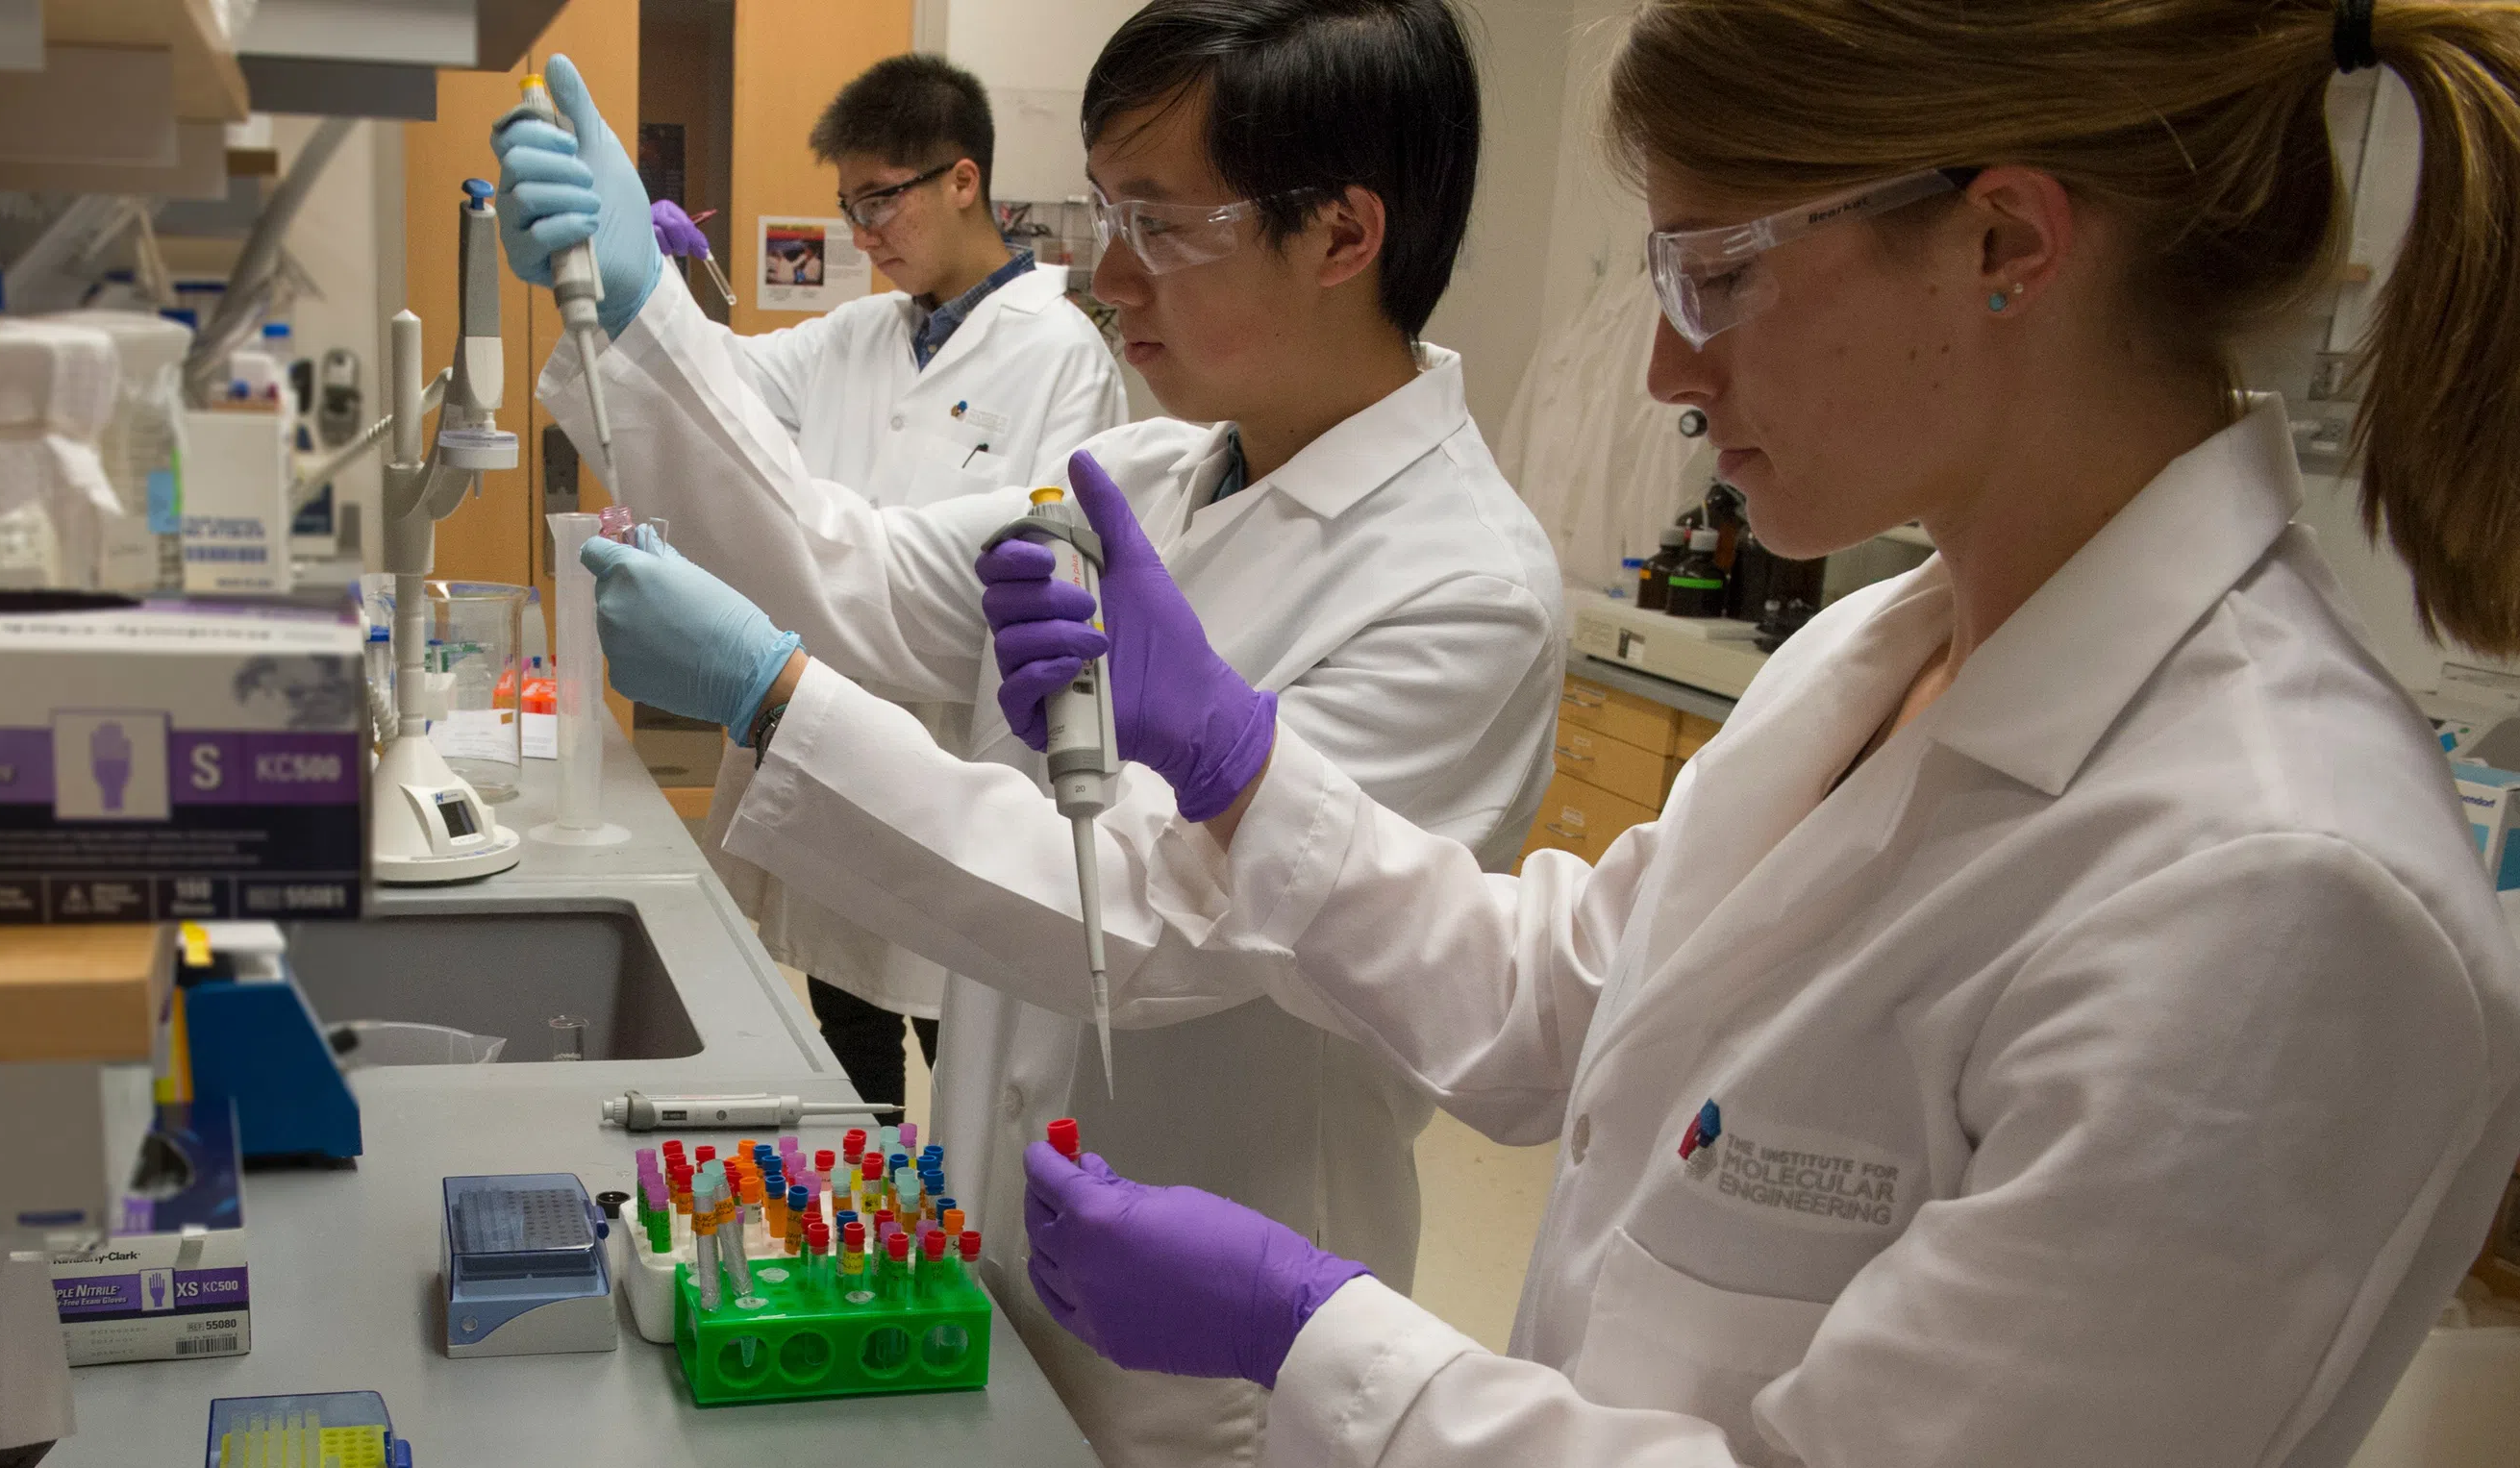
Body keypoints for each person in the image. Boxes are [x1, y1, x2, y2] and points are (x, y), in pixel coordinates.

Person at [981, 1, 2520, 1463]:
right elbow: (1565, 998)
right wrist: (1247, 773)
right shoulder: (1877, 649)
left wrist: (1313, 1336)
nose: (1666, 370)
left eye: (1718, 276)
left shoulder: (2277, 889)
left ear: (2006, 239)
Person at [511, 3, 1560, 1460]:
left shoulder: (1465, 588)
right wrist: (636, 314)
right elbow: (855, 563)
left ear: (1341, 234)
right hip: (1001, 1248)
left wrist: (768, 692)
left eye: (1159, 224)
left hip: (1211, 1357)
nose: (1105, 274)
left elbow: (1146, 919)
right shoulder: (1141, 478)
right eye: (1101, 212)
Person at [500, 51, 1126, 1110]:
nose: (864, 233)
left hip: (949, 769)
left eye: (881, 200)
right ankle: (875, 1208)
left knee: (969, 1060)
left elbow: (1002, 569)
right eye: (850, 208)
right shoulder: (860, 332)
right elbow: (718, 392)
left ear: (962, 180)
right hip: (821, 742)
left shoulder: (1064, 354)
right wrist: (632, 294)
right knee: (846, 1034)